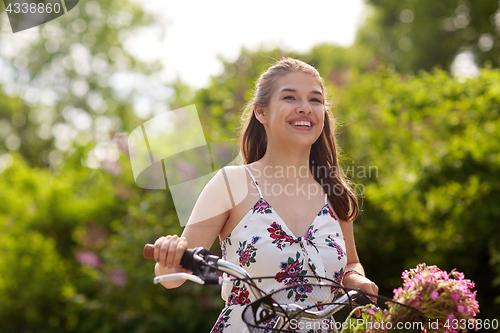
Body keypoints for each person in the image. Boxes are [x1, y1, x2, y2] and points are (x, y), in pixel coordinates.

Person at [153, 57, 378, 332]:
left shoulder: (334, 192)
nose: (305, 108)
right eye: (290, 97)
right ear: (261, 112)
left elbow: (351, 262)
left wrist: (355, 278)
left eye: (315, 100)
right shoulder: (232, 183)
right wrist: (167, 260)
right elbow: (174, 276)